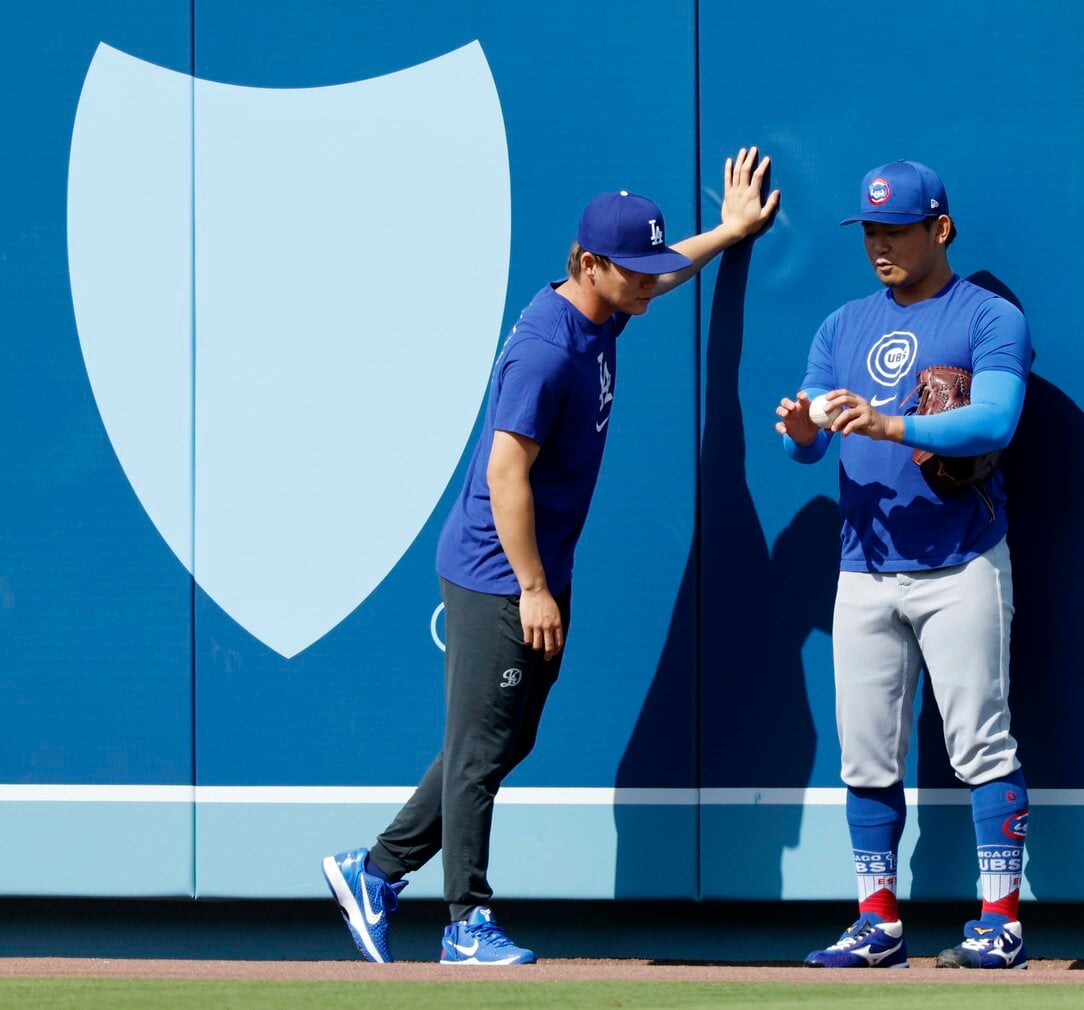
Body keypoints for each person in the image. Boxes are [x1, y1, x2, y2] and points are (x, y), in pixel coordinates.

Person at [322, 147, 779, 966]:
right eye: (631, 271)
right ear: (588, 262)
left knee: (500, 740)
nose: (648, 282)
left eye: (649, 268)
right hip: (500, 573)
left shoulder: (605, 307)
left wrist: (730, 230)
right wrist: (532, 587)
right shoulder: (548, 347)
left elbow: (667, 272)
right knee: (479, 749)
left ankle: (377, 869)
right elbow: (505, 472)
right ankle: (465, 922)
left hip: (538, 571)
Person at [775, 160, 1032, 970]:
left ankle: (1002, 922)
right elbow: (802, 449)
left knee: (982, 746)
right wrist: (803, 428)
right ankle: (877, 922)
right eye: (871, 231)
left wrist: (890, 428)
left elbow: (995, 421)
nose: (880, 244)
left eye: (896, 229)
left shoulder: (988, 317)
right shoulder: (842, 325)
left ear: (940, 229)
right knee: (865, 752)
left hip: (961, 562)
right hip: (865, 564)